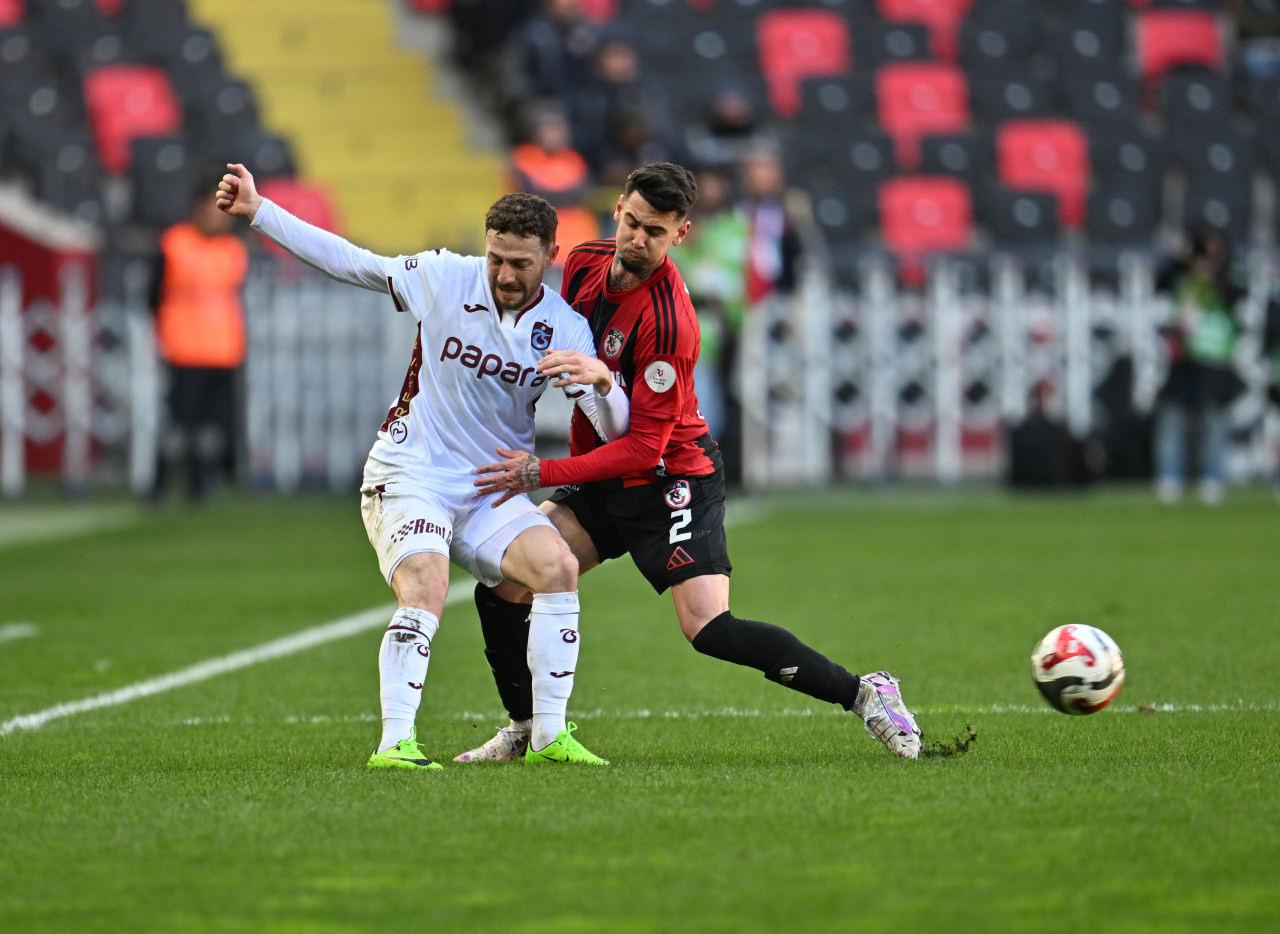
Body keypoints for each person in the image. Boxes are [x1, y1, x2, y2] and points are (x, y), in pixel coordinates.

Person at [456, 163, 923, 763]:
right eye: (632, 222)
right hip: (603, 474)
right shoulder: (583, 265)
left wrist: (538, 472)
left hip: (669, 479)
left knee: (708, 627)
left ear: (681, 234)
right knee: (502, 585)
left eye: (656, 231)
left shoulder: (670, 323)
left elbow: (646, 448)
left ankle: (865, 693)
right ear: (618, 208)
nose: (638, 239)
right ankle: (524, 729)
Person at [215, 163, 630, 769]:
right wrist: (259, 211)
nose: (504, 275)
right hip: (410, 472)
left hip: (487, 488)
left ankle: (549, 737)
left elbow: (612, 429)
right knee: (428, 582)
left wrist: (604, 383)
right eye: (495, 259)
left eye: (520, 263)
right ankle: (395, 744)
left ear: (551, 256)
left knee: (558, 567)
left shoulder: (562, 328)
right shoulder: (443, 277)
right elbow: (352, 262)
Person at [149, 175, 249, 503]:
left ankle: (203, 485)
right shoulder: (174, 243)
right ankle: (160, 485)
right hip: (184, 349)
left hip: (224, 350)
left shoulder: (233, 249)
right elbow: (153, 295)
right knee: (179, 426)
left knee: (213, 427)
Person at [1153, 225, 1245, 505]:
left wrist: (1211, 276)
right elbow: (1161, 281)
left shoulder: (1228, 278)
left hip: (1216, 358)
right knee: (1172, 416)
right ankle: (1169, 476)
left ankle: (1213, 477)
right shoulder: (1181, 278)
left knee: (1215, 419)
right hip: (1184, 357)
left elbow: (1236, 300)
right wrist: (1180, 257)